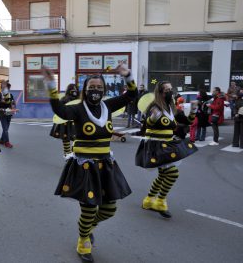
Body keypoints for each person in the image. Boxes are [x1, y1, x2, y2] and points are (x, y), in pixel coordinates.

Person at [44, 65, 135, 263]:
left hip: (105, 164)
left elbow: (132, 95)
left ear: (104, 90)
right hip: (84, 166)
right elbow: (59, 110)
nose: (96, 90)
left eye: (99, 87)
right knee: (89, 208)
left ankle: (88, 228)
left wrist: (128, 76)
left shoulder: (108, 106)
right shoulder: (77, 108)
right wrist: (51, 84)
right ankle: (83, 240)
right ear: (85, 89)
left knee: (109, 209)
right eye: (92, 87)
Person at [136, 81, 198, 219]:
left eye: (171, 89)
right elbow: (148, 123)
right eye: (167, 90)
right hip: (155, 145)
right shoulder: (155, 106)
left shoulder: (172, 108)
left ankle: (149, 200)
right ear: (160, 93)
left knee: (164, 175)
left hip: (167, 144)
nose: (170, 92)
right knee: (173, 173)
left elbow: (187, 121)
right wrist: (153, 118)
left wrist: (193, 110)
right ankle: (160, 201)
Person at [50, 83, 79, 157]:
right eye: (73, 90)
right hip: (65, 122)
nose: (74, 91)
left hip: (75, 122)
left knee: (77, 139)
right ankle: (68, 156)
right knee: (66, 139)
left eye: (76, 89)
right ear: (69, 90)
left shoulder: (78, 99)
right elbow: (60, 110)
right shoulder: (65, 99)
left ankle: (72, 155)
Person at [0, 80, 16, 148]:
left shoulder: (11, 95)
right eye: (5, 88)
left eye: (8, 88)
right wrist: (2, 108)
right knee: (5, 129)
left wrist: (13, 109)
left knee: (6, 128)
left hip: (9, 114)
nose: (7, 89)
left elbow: (13, 103)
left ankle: (2, 140)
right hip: (2, 114)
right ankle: (7, 142)